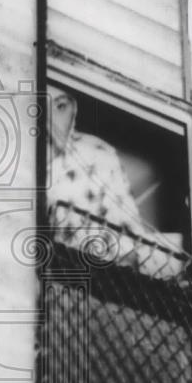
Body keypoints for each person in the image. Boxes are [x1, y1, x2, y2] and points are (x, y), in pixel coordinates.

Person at [46, 84, 146, 263]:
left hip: (95, 279)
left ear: (74, 111)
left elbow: (129, 251)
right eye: (39, 106)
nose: (51, 121)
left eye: (60, 106)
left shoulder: (97, 154)